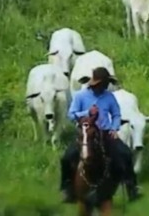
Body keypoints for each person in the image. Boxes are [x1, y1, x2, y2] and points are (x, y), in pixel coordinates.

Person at [60, 67, 141, 203]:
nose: (105, 86)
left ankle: (131, 187)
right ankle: (67, 188)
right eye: (103, 83)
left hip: (105, 133)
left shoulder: (109, 97)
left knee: (126, 153)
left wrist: (114, 128)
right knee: (67, 157)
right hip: (86, 133)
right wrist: (87, 113)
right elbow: (71, 114)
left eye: (106, 83)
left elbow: (116, 114)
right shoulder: (80, 96)